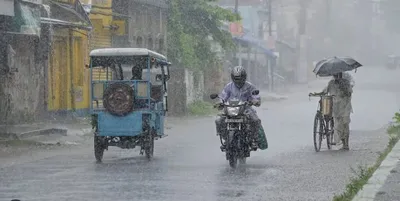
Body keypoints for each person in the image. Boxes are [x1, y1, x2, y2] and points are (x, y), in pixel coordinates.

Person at [215, 66, 261, 150]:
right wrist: (220, 103)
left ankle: (254, 139)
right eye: (236, 78)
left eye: (240, 78)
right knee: (218, 120)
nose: (238, 80)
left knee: (255, 120)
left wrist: (255, 101)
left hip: (246, 109)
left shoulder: (250, 86)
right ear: (232, 77)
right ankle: (225, 138)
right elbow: (223, 96)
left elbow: (256, 96)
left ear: (244, 77)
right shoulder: (229, 86)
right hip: (230, 109)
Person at [313, 72, 353, 150]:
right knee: (338, 125)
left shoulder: (346, 83)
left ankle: (346, 144)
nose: (336, 77)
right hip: (336, 107)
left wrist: (344, 91)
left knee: (345, 124)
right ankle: (342, 142)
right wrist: (316, 94)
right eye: (335, 75)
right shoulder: (331, 83)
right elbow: (325, 91)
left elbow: (349, 93)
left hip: (345, 106)